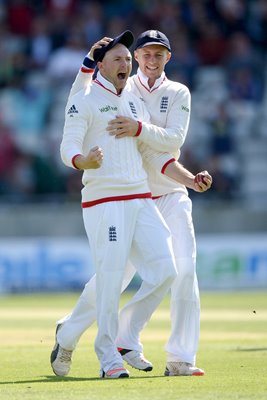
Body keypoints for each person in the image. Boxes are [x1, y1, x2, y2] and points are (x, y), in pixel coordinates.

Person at [51, 30, 212, 378]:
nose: (125, 63)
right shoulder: (86, 97)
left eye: (127, 58)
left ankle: (116, 337)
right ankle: (107, 358)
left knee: (167, 271)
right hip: (105, 200)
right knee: (109, 281)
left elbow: (154, 154)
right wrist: (82, 162)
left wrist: (187, 179)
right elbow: (68, 145)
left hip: (142, 199)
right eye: (119, 58)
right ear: (101, 65)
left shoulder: (134, 103)